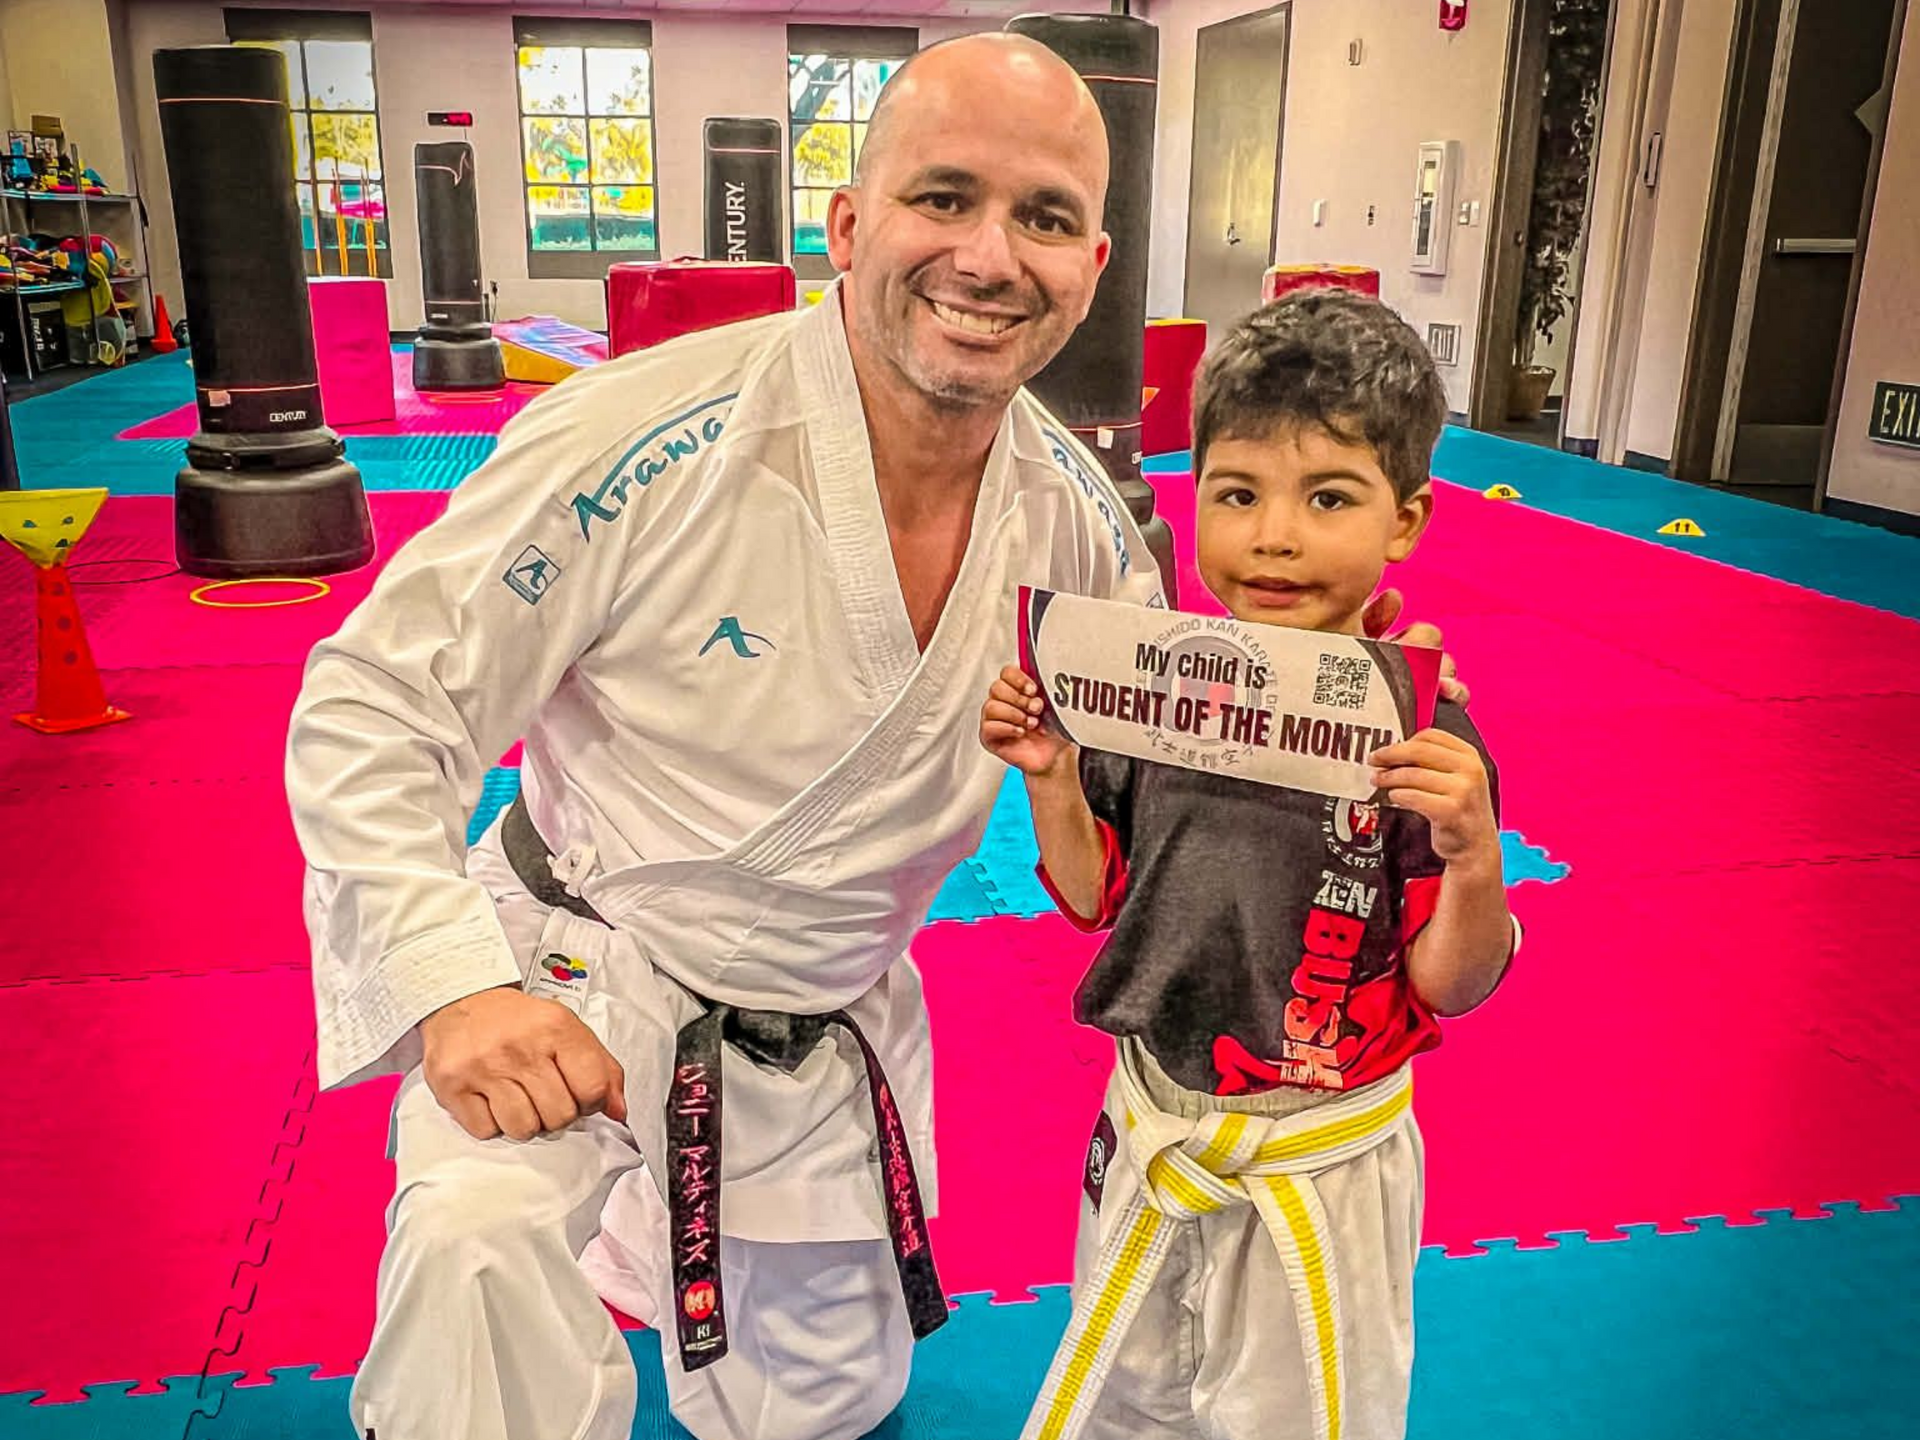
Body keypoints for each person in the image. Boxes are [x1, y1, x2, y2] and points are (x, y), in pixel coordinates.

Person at [287, 33, 1458, 1440]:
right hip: (576, 967)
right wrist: (453, 988)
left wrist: (1350, 698)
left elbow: (1172, 786)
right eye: (943, 198)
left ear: (1092, 267)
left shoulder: (1081, 532)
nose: (988, 258)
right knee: (475, 1256)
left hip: (820, 1014)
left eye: (1043, 218)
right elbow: (376, 701)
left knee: (827, 1411)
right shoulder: (637, 440)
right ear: (847, 226)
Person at [978, 289, 1518, 1440]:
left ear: (1405, 520)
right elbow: (1092, 900)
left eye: (1329, 498)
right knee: (1131, 1407)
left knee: (1299, 1417)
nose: (1274, 535)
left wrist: (1476, 860)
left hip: (1317, 1155)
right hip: (1153, 1120)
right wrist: (1051, 773)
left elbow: (1450, 985)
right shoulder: (1149, 692)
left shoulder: (1423, 739)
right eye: (1237, 494)